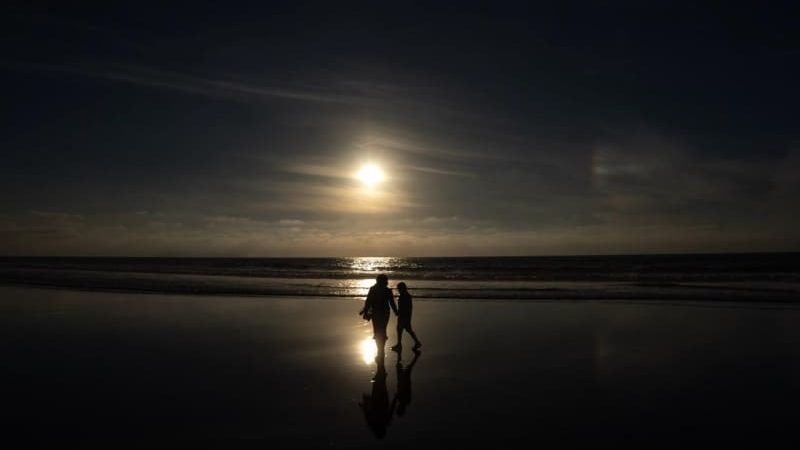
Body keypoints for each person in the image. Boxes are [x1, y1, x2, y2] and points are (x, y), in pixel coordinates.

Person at [359, 274, 397, 357]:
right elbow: (392, 303)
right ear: (384, 281)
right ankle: (381, 350)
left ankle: (380, 350)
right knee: (383, 329)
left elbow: (368, 301)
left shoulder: (373, 289)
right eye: (386, 280)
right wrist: (396, 312)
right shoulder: (388, 290)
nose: (387, 282)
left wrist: (364, 310)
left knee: (377, 330)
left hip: (376, 313)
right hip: (385, 312)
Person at [390, 282, 421, 351]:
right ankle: (416, 342)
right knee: (408, 330)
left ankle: (399, 344)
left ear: (402, 288)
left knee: (400, 329)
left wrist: (399, 313)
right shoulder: (406, 295)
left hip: (403, 316)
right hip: (406, 316)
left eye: (399, 288)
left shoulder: (404, 296)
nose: (398, 290)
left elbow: (405, 308)